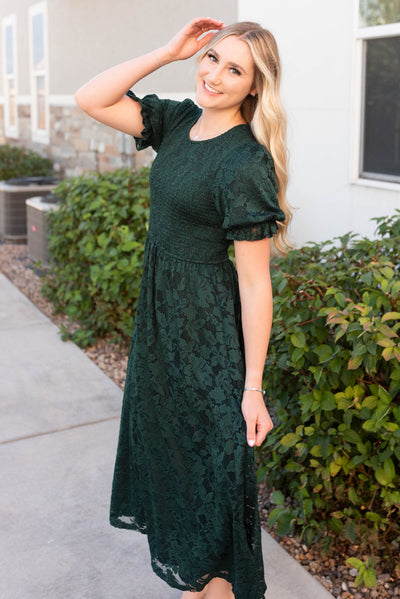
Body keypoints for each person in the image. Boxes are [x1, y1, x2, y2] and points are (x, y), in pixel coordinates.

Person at [75, 16, 292, 599]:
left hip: (208, 348)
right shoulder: (176, 121)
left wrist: (251, 388)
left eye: (235, 69)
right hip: (161, 337)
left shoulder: (246, 164)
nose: (215, 75)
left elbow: (254, 284)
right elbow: (90, 97)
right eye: (212, 58)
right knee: (178, 488)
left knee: (211, 505)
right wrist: (168, 52)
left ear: (255, 86)